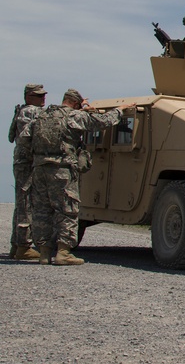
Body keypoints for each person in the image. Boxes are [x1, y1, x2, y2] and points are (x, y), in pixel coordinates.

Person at [25, 89, 135, 265]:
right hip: (62, 170)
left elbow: (26, 138)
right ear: (76, 104)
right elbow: (103, 121)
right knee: (67, 210)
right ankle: (63, 252)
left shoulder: (41, 116)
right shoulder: (74, 117)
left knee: (42, 211)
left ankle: (44, 253)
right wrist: (120, 110)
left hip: (39, 169)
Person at [7, 83, 46, 260]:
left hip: (21, 161)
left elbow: (10, 137)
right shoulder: (31, 111)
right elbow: (27, 138)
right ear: (29, 97)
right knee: (27, 202)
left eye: (43, 95)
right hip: (28, 161)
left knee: (22, 202)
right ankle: (24, 246)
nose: (43, 99)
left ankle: (17, 245)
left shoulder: (20, 110)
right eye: (39, 96)